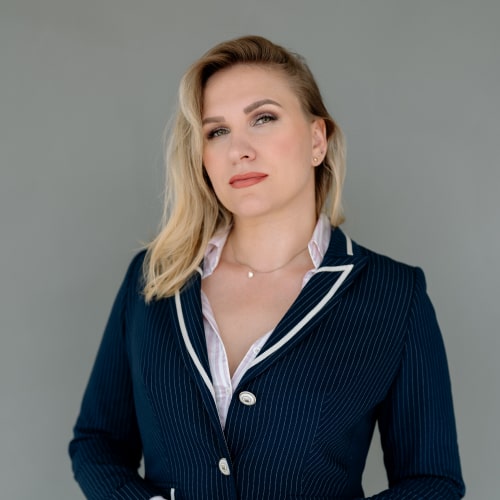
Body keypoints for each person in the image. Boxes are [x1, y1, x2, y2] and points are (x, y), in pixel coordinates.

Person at [69, 35, 465, 499]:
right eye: (216, 132)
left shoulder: (394, 294)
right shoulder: (155, 279)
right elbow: (98, 442)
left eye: (263, 119)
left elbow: (432, 481)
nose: (239, 149)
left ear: (317, 140)